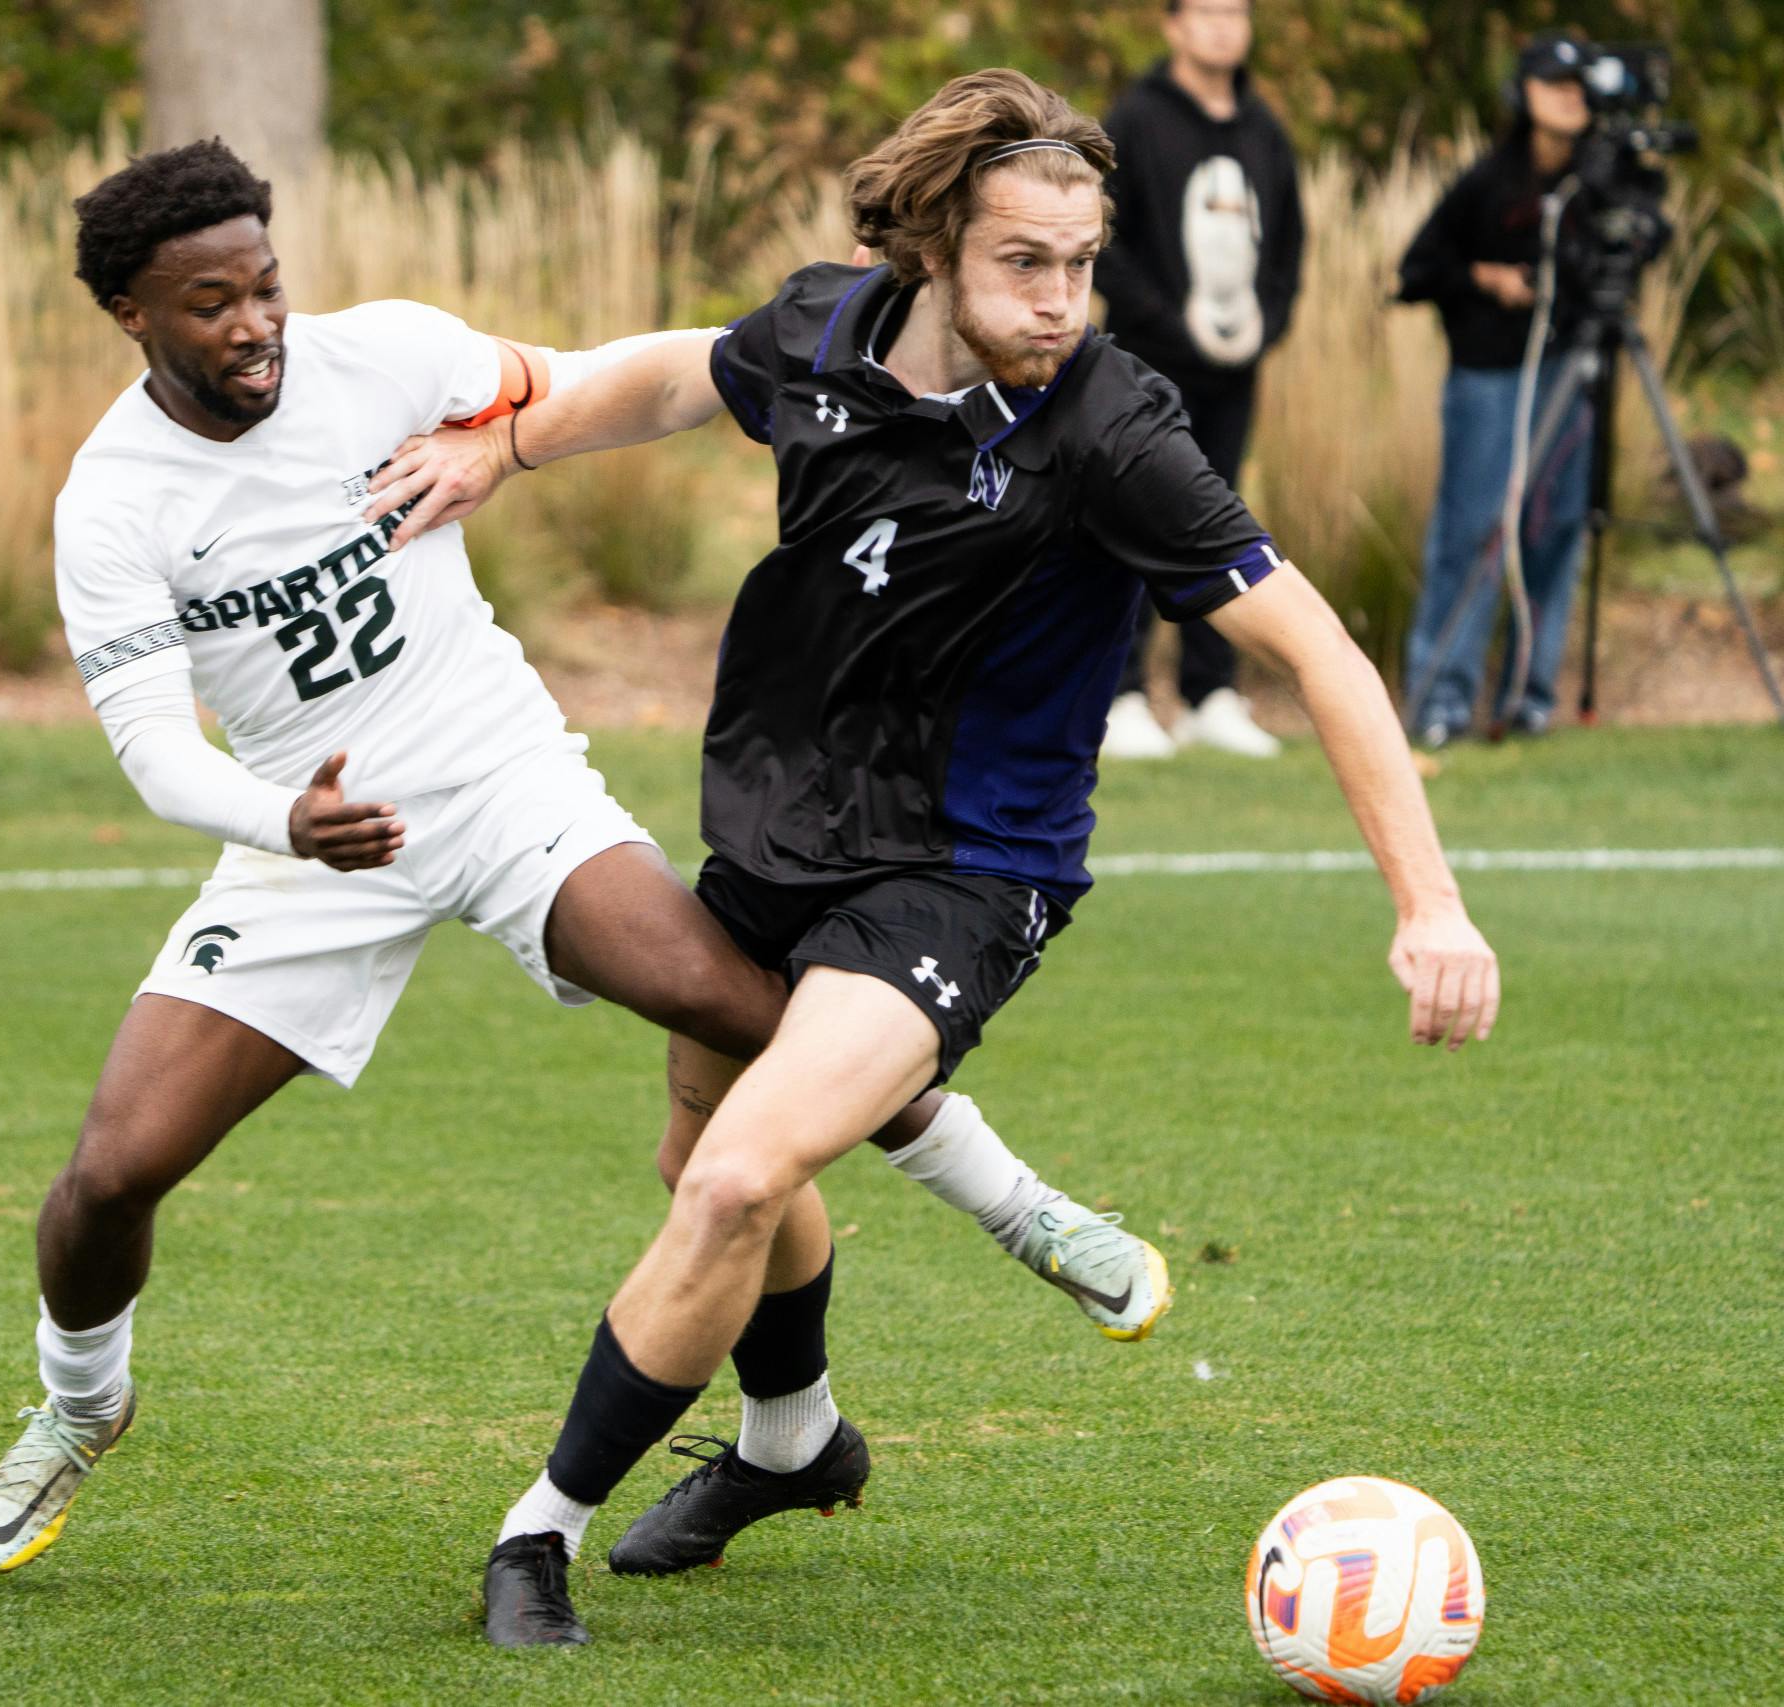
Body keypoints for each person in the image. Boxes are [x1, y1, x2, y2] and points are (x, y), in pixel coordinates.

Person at [370, 68, 1500, 1648]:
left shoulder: (1112, 427)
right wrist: (514, 444)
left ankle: (535, 1531)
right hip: (777, 821)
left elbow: (1319, 650)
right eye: (1023, 262)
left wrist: (1430, 901)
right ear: (930, 251)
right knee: (704, 1165)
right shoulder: (828, 333)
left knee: (746, 1173)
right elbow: (678, 375)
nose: (1062, 299)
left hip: (968, 869)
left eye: (1083, 262)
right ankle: (793, 1438)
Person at [0, 140, 1167, 1577]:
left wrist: (502, 437)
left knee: (745, 1023)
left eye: (267, 288)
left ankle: (1002, 1216)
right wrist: (281, 819)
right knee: (113, 1171)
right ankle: (80, 1402)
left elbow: (603, 367)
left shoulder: (390, 354)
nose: (254, 325)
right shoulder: (114, 500)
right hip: (306, 839)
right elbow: (157, 748)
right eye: (210, 303)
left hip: (497, 779)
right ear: (132, 316)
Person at [1093, 0, 1302, 760]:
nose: (1225, 25)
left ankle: (1212, 690)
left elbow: (1286, 245)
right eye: (1208, 10)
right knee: (1130, 514)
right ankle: (1120, 695)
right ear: (1173, 24)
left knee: (1220, 513)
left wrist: (1263, 327)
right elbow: (1103, 239)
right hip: (1146, 362)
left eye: (1238, 11)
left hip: (1233, 370)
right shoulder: (1136, 119)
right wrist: (1171, 325)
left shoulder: (1263, 129)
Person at [1398, 33, 1596, 749]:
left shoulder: (1604, 183)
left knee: (1556, 529)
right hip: (1489, 376)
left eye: (1578, 84)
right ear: (1525, 94)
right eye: (1553, 83)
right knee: (1474, 531)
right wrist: (1485, 279)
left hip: (1571, 371)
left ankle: (1528, 693)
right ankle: (1441, 696)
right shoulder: (1488, 183)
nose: (1569, 96)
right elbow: (1416, 271)